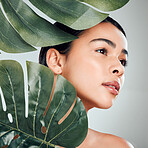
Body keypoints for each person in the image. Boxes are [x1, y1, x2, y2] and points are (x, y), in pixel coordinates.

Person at [39, 17, 134, 148]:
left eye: (122, 61)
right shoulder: (7, 138)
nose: (120, 68)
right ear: (56, 61)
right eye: (102, 51)